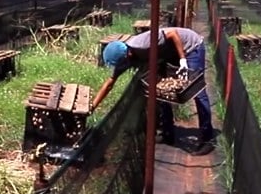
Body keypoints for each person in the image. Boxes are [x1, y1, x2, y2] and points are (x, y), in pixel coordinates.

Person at [91, 27, 215, 156]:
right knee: (162, 91)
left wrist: (183, 61)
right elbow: (109, 83)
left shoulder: (142, 44)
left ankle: (208, 139)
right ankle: (168, 134)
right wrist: (92, 107)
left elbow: (173, 34)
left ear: (128, 55)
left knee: (197, 91)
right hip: (170, 52)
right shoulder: (126, 57)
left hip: (190, 47)